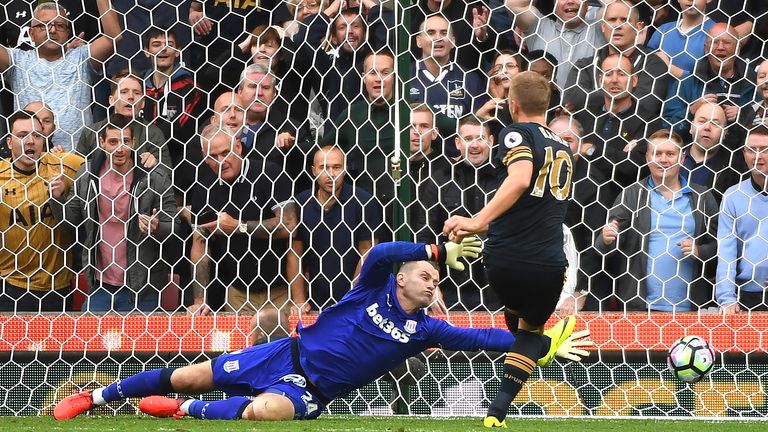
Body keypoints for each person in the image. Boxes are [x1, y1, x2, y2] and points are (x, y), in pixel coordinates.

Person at [53, 239, 593, 421]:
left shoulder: (428, 329)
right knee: (191, 375)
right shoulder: (371, 286)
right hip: (283, 355)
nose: (433, 282)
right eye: (426, 275)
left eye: (437, 279)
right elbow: (381, 252)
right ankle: (95, 395)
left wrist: (544, 341)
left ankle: (185, 414)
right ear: (403, 277)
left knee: (265, 413)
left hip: (310, 391)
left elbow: (487, 339)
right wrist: (434, 249)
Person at [442, 71, 575, 427]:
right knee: (529, 332)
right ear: (546, 105)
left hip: (505, 260)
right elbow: (527, 206)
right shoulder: (563, 147)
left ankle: (540, 349)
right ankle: (497, 412)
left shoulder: (516, 133)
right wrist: (473, 220)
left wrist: (472, 223)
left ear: (513, 105)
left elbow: (518, 180)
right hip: (549, 264)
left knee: (518, 324)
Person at [52, 114, 177, 312]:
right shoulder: (87, 175)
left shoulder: (155, 176)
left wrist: (157, 226)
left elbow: (174, 227)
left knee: (140, 343)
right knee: (90, 341)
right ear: (101, 142)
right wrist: (57, 198)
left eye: (125, 141)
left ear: (134, 142)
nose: (119, 148)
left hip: (142, 288)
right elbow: (71, 222)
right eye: (113, 141)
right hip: (100, 286)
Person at [595, 129, 719, 312]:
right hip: (640, 306)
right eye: (657, 153)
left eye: (670, 154)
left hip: (691, 308)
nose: (663, 159)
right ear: (647, 157)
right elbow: (605, 247)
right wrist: (606, 239)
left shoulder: (702, 196)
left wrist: (700, 251)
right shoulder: (631, 195)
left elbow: (720, 245)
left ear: (682, 158)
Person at [186, 125, 296, 316]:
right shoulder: (204, 189)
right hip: (236, 292)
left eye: (225, 152)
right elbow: (200, 246)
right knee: (240, 346)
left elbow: (289, 227)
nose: (221, 161)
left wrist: (239, 227)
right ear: (204, 158)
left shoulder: (269, 173)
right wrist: (199, 301)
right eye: (213, 156)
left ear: (238, 147)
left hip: (279, 291)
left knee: (279, 345)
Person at [0, 1, 122, 150]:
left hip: (77, 158)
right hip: (30, 160)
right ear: (31, 33)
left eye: (59, 25)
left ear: (68, 33)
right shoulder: (18, 61)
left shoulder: (81, 57)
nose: (52, 30)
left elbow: (113, 37)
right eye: (44, 25)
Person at [0, 110, 83, 312]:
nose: (30, 141)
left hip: (59, 286)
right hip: (11, 286)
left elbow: (109, 164)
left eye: (37, 135)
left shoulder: (64, 165)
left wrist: (147, 161)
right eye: (22, 136)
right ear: (9, 142)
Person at [288, 145, 382, 312]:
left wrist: (352, 300)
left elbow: (368, 253)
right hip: (314, 300)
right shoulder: (301, 202)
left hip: (356, 300)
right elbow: (295, 254)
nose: (331, 174)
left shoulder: (363, 201)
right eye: (324, 167)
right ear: (313, 170)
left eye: (336, 167)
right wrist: (300, 300)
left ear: (345, 169)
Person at [716, 126, 768, 313]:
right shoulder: (733, 196)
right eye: (751, 150)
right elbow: (726, 249)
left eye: (764, 149)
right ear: (744, 153)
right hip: (747, 294)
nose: (757, 156)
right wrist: (726, 298)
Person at [141, 27, 207, 171]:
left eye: (169, 44)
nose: (163, 49)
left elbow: (178, 129)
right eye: (157, 44)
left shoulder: (189, 88)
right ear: (146, 51)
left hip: (176, 164)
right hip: (138, 158)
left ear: (178, 51)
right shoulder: (138, 86)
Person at [504, 0, 605, 89]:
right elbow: (513, 4)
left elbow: (616, 6)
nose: (570, 1)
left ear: (587, 4)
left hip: (587, 108)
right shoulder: (538, 25)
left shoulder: (600, 28)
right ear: (554, 3)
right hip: (543, 106)